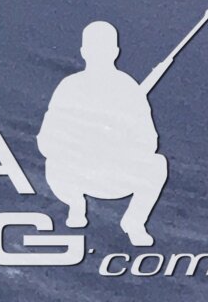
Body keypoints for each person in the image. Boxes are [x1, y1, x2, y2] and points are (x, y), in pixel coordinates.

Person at [39, 21, 172, 247]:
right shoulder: (70, 86)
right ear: (84, 52)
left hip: (115, 175)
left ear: (115, 52)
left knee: (157, 164)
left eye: (104, 49)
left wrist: (120, 142)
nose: (99, 55)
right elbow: (47, 138)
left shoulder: (129, 88)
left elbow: (149, 141)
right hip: (76, 174)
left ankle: (134, 222)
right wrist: (78, 145)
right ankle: (76, 205)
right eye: (94, 49)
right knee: (52, 164)